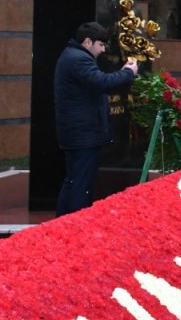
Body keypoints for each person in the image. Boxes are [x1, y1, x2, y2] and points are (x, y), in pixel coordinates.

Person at [54, 21, 139, 217]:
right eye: (100, 45)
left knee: (74, 180)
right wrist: (128, 72)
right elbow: (102, 82)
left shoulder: (72, 56)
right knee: (81, 183)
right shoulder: (78, 59)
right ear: (87, 42)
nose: (103, 50)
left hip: (79, 132)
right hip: (83, 134)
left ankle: (62, 223)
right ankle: (76, 226)